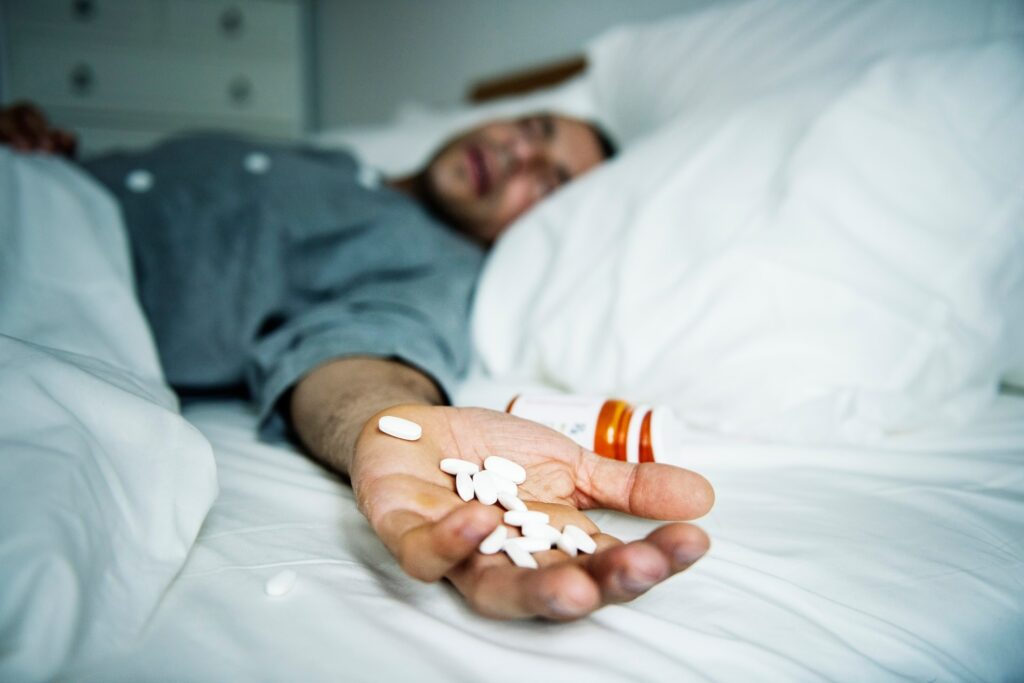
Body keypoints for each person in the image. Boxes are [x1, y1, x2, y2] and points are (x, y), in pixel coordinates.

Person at [1, 101, 714, 621]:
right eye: (531, 129)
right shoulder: (334, 160)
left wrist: (391, 422)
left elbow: (363, 352)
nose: (516, 155)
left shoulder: (436, 269)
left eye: (548, 181)